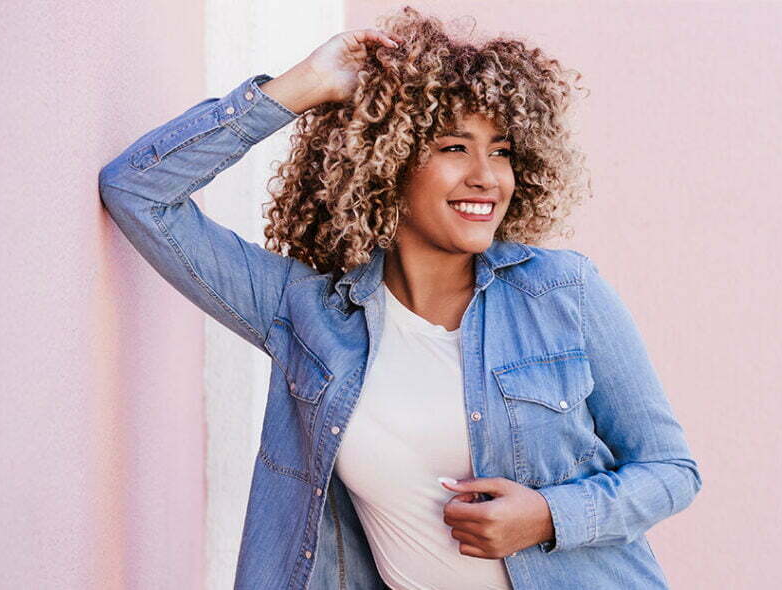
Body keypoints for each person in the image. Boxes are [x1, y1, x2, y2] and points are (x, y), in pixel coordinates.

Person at [98, 6, 702, 589]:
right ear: (387, 162)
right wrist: (302, 86)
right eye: (454, 147)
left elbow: (670, 470)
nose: (486, 177)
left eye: (501, 151)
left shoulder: (563, 292)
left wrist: (548, 516)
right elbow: (139, 192)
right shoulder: (304, 313)